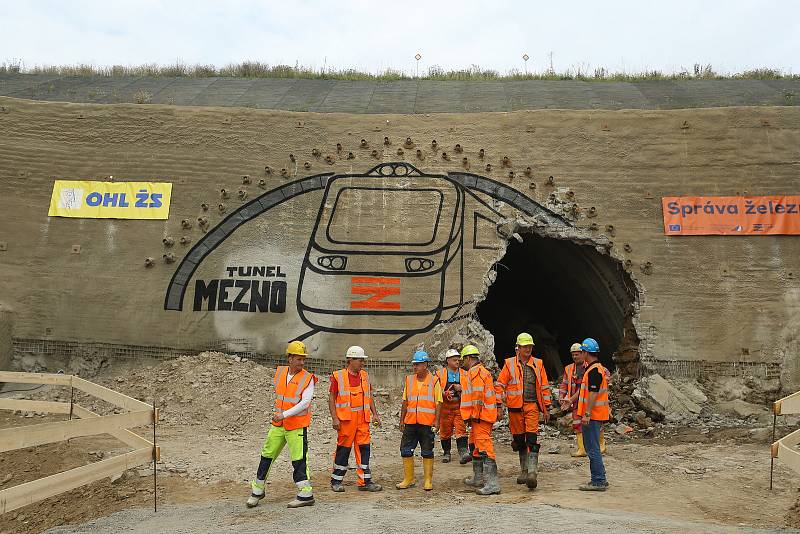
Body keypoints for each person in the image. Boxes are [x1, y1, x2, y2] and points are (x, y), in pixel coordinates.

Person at [246, 340, 318, 508]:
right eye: (298, 358)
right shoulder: (279, 373)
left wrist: (283, 415)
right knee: (267, 455)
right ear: (290, 358)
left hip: (296, 425)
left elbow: (305, 403)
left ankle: (305, 494)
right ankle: (257, 490)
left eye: (303, 359)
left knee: (299, 459)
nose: (302, 362)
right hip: (279, 425)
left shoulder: (308, 379)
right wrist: (281, 416)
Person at [495, 332, 551, 490]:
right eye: (525, 346)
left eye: (530, 346)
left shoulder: (538, 364)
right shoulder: (509, 364)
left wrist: (546, 408)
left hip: (532, 406)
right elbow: (500, 385)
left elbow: (544, 387)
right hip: (515, 408)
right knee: (520, 441)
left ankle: (532, 473)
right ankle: (524, 470)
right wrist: (499, 404)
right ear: (518, 348)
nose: (528, 349)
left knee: (532, 439)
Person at [329, 345, 383, 492]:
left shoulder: (364, 376)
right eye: (360, 360)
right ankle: (336, 481)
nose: (362, 363)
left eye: (362, 360)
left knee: (364, 450)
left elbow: (369, 396)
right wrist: (335, 418)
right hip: (346, 421)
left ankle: (365, 481)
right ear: (350, 360)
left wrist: (375, 414)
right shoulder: (338, 376)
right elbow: (332, 398)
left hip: (362, 420)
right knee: (343, 451)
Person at [396, 350, 442, 491]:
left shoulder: (434, 381)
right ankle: (408, 479)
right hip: (410, 422)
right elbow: (405, 401)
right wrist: (402, 420)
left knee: (427, 451)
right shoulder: (409, 380)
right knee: (405, 450)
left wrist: (437, 421)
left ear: (425, 365)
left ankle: (428, 480)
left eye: (418, 364)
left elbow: (439, 402)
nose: (415, 367)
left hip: (427, 423)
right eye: (414, 364)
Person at [460, 344, 501, 495]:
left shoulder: (476, 372)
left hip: (480, 417)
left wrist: (474, 415)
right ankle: (478, 479)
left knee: (485, 448)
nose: (461, 363)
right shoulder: (480, 371)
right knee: (477, 447)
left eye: (463, 359)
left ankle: (492, 484)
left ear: (469, 358)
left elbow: (477, 396)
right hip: (481, 416)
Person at [576, 337, 610, 491]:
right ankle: (600, 477)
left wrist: (587, 413)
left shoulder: (594, 371)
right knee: (593, 447)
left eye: (581, 352)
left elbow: (593, 393)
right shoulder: (595, 369)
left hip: (594, 415)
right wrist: (571, 399)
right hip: (596, 415)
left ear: (586, 353)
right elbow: (586, 391)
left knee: (592, 448)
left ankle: (598, 480)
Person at [436, 348, 469, 463]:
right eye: (454, 360)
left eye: (458, 360)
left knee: (461, 429)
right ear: (448, 361)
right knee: (445, 431)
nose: (457, 362)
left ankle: (463, 452)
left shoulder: (465, 374)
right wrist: (444, 393)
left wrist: (462, 389)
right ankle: (446, 452)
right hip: (445, 408)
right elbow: (434, 390)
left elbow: (471, 389)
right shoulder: (440, 374)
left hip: (459, 406)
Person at [560, 342, 587, 457]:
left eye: (577, 354)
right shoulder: (569, 368)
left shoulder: (590, 366)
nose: (575, 357)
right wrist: (561, 397)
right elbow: (564, 384)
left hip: (587, 401)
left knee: (593, 423)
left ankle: (601, 445)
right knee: (577, 424)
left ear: (583, 354)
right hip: (576, 402)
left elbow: (583, 389)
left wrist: (570, 399)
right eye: (573, 355)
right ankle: (582, 449)